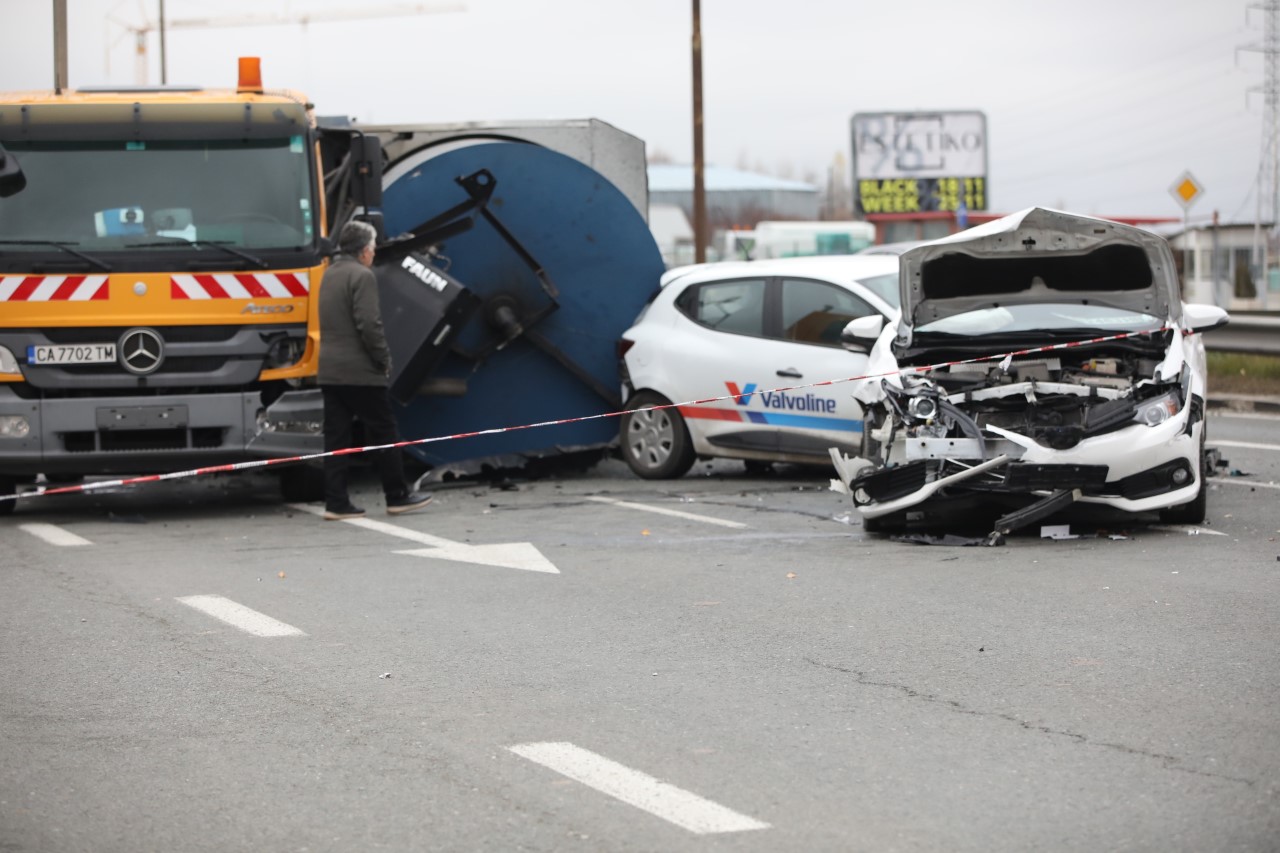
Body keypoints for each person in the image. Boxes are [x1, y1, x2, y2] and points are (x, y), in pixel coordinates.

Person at [317, 220, 432, 521]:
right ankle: (397, 496)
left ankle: (336, 502)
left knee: (336, 438)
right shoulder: (362, 276)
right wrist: (383, 359)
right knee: (384, 431)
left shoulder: (329, 274)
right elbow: (369, 324)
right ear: (365, 250)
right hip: (359, 371)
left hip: (329, 369)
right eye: (373, 248)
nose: (374, 253)